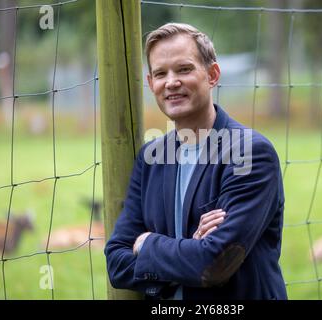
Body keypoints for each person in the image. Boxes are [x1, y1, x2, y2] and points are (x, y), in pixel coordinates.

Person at [105, 23, 287, 300]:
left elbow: (213, 264)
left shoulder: (250, 154)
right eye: (160, 73)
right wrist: (189, 249)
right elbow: (116, 263)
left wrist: (146, 243)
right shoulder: (150, 158)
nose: (171, 82)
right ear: (150, 83)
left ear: (212, 74)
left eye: (184, 69)